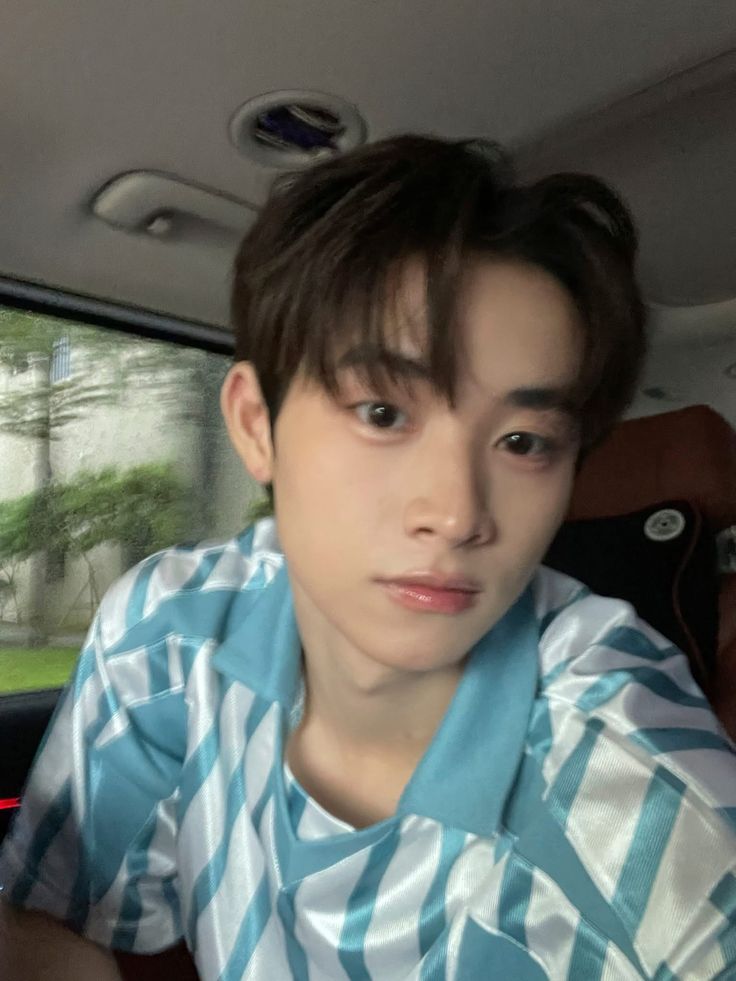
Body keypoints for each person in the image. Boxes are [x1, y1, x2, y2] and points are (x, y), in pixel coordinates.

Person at [1, 135, 735, 981]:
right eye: (383, 413)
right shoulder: (170, 636)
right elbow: (55, 941)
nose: (456, 514)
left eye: (524, 441)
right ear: (256, 426)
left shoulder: (637, 796)